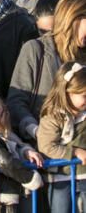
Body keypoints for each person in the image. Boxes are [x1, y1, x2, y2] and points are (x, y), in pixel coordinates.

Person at [8, 0, 86, 141]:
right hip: (43, 150)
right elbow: (16, 101)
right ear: (73, 19)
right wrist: (36, 131)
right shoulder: (36, 49)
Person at [37, 62, 86, 213]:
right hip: (60, 179)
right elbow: (46, 146)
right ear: (67, 92)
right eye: (84, 95)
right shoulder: (53, 116)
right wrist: (75, 152)